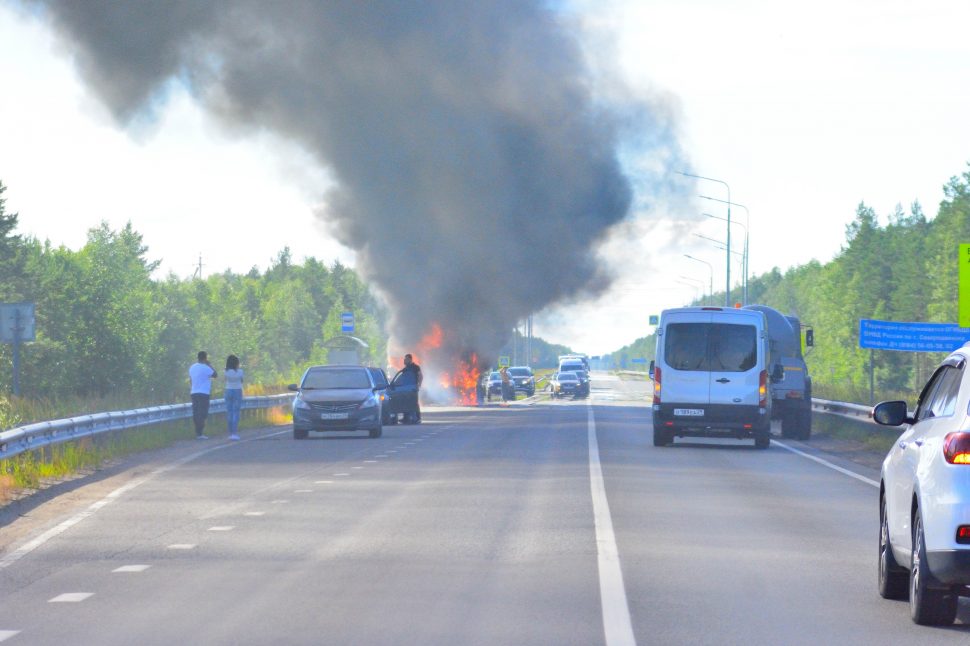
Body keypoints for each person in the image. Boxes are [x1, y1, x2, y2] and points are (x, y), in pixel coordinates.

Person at [189, 351, 217, 439]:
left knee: (196, 412)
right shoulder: (206, 367)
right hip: (204, 393)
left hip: (194, 392)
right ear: (205, 358)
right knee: (203, 413)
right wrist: (209, 364)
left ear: (198, 357)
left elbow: (191, 379)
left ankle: (198, 432)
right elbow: (215, 375)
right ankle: (200, 433)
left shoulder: (192, 367)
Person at [224, 354, 244, 441]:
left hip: (228, 390)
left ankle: (230, 432)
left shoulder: (226, 371)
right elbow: (242, 380)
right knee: (236, 412)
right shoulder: (240, 371)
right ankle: (235, 433)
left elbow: (225, 380)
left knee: (229, 411)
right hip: (237, 390)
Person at [401, 353, 423, 422]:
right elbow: (402, 379)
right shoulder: (405, 369)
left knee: (414, 402)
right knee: (405, 402)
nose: (404, 361)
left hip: (413, 387)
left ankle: (418, 417)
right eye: (404, 359)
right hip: (405, 388)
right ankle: (405, 418)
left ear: (410, 359)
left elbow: (420, 376)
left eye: (406, 359)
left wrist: (419, 385)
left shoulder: (416, 367)